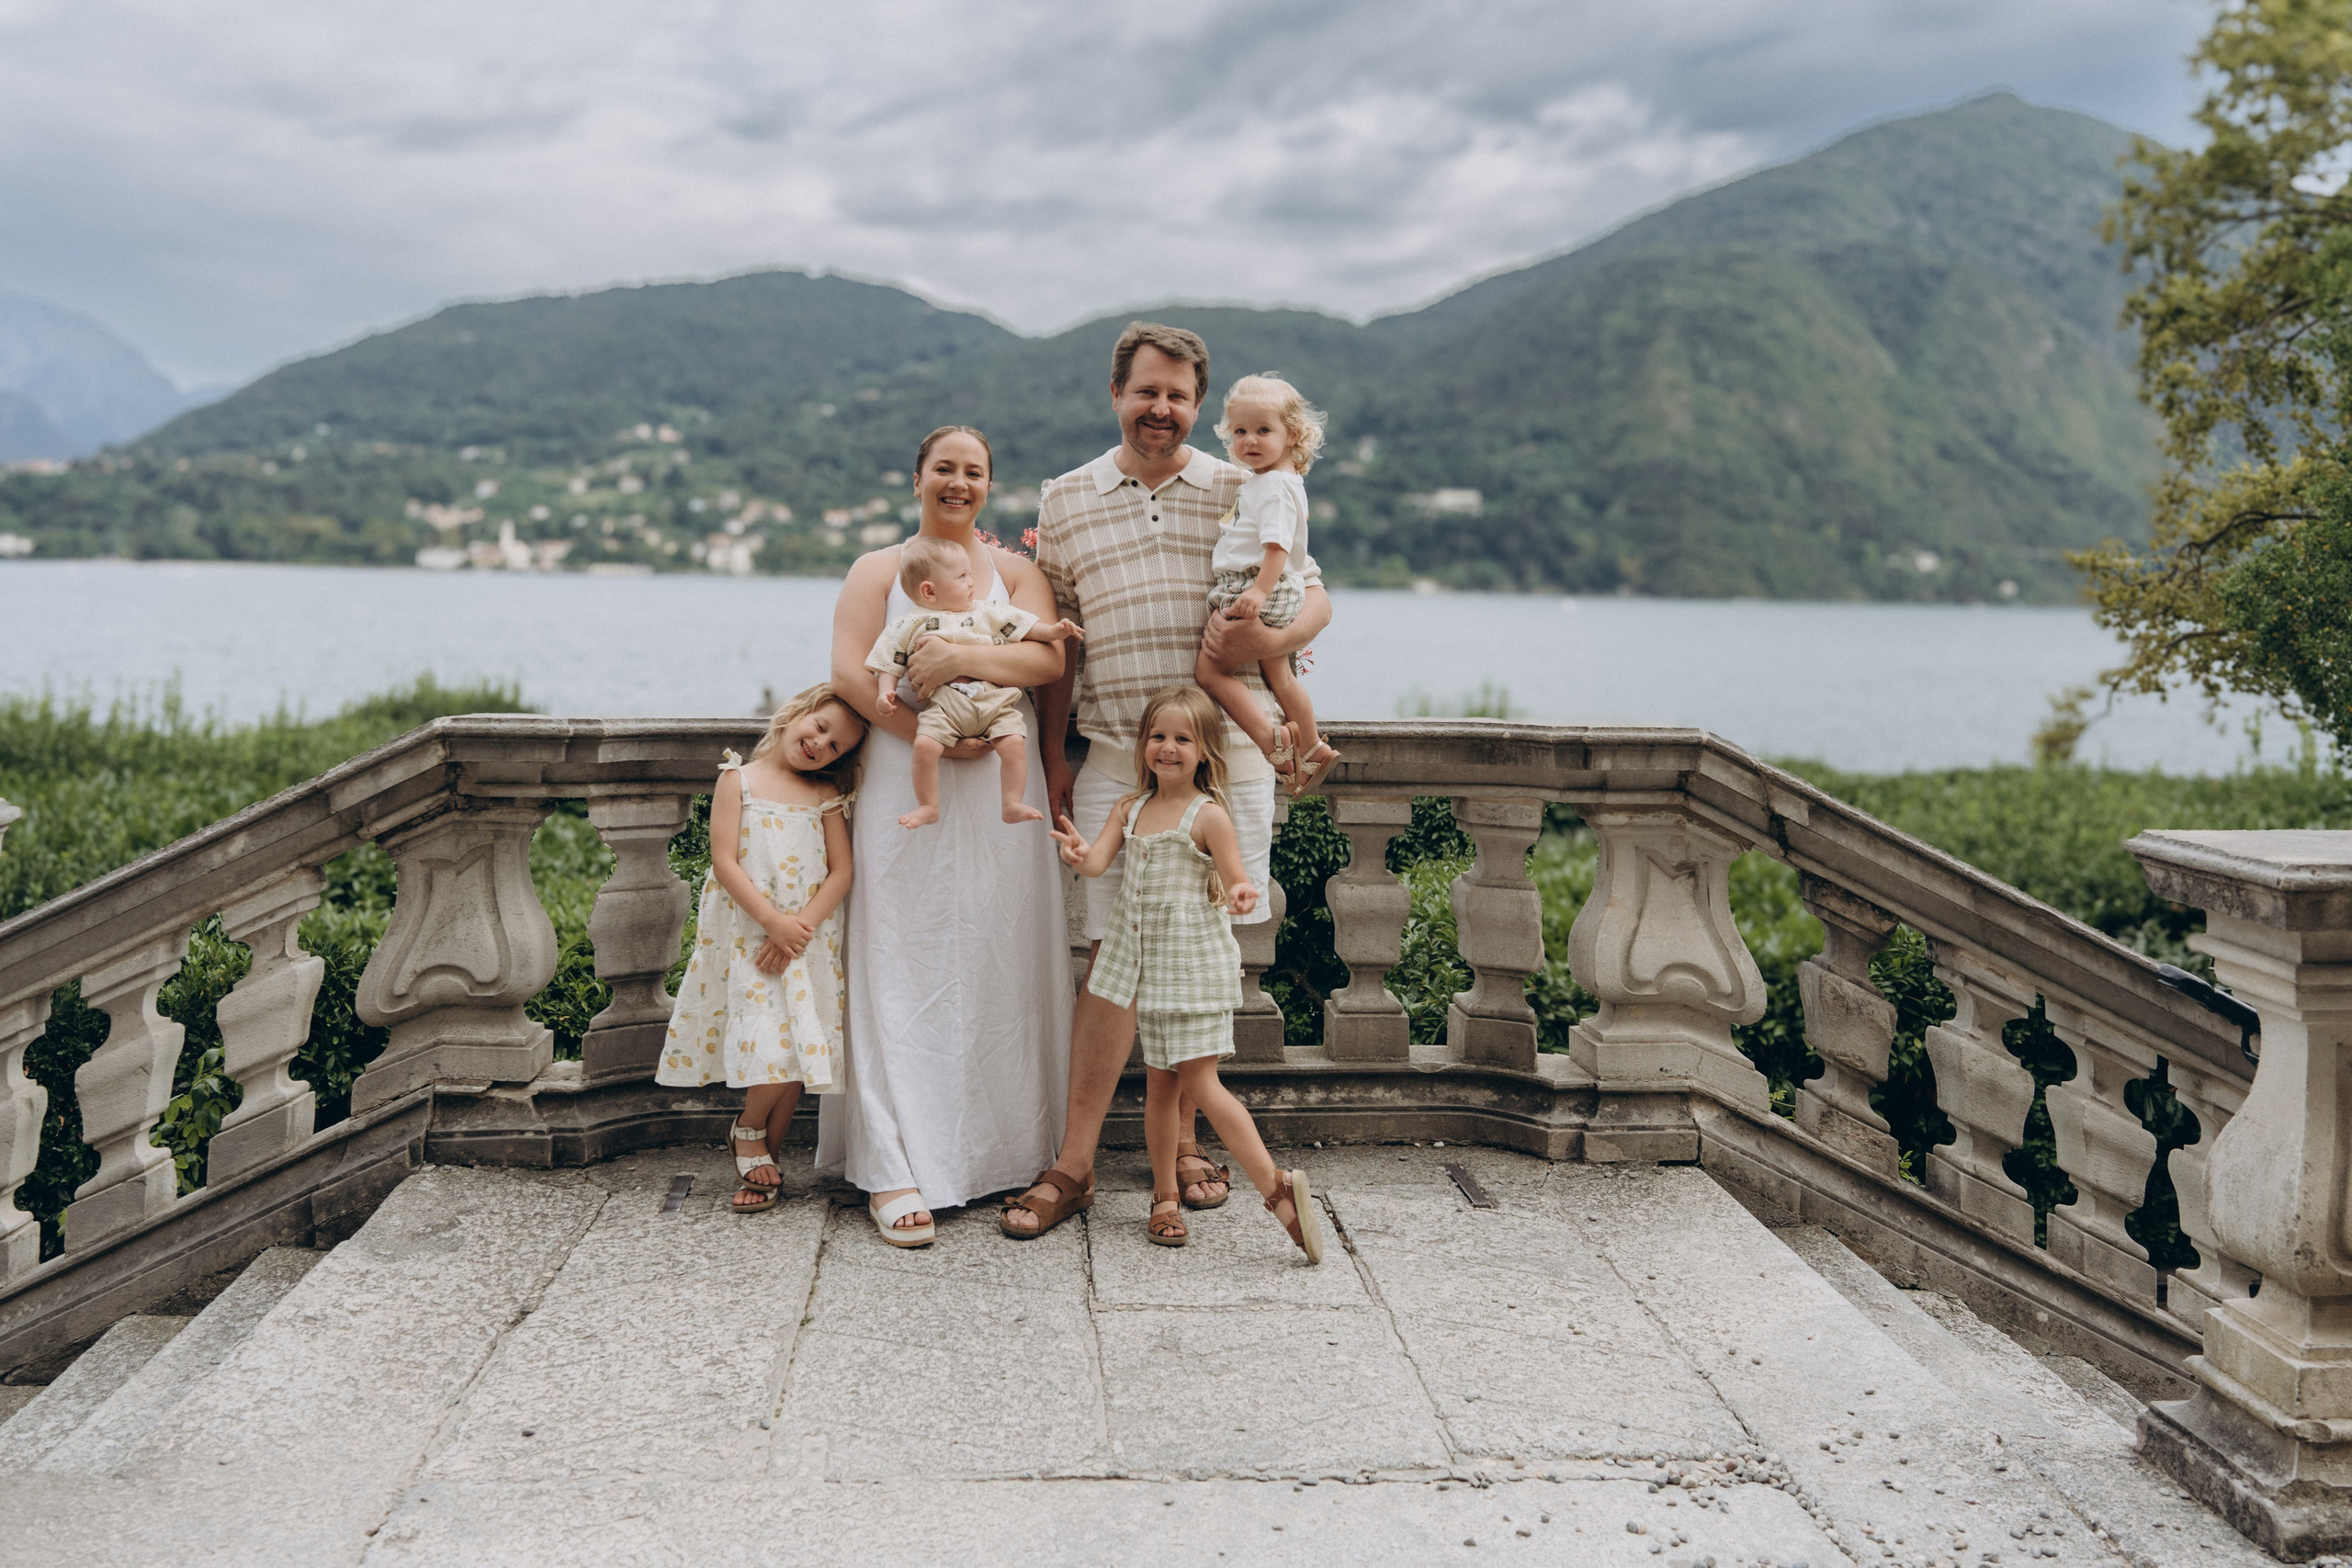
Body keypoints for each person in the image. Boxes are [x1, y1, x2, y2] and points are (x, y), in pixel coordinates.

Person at [1001, 322, 1333, 1240]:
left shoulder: (1245, 483)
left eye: (1178, 396)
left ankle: (1180, 1148)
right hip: (1113, 756)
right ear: (1117, 393)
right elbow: (1059, 642)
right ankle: (1073, 1166)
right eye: (1146, 391)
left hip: (1224, 769)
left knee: (1194, 957)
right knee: (1110, 966)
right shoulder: (1065, 498)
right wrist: (1054, 754)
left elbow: (1314, 595)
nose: (1160, 408)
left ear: (1199, 406)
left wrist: (1270, 638)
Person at [823, 424, 1074, 1246]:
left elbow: (1046, 664)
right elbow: (849, 672)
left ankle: (1007, 1149)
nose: (958, 482)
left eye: (973, 471)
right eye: (944, 468)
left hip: (1004, 790)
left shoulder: (1017, 574)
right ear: (918, 477)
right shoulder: (876, 570)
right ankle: (893, 1162)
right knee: (900, 954)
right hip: (910, 776)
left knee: (1003, 954)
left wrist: (959, 658)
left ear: (989, 485)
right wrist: (927, 732)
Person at [1049, 685, 1324, 1260]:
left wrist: (1242, 892)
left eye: (1182, 738)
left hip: (1192, 969)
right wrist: (1078, 852)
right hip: (1149, 971)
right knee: (1159, 1086)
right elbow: (1098, 863)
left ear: (1204, 752)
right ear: (1142, 745)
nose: (1168, 748)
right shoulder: (1129, 808)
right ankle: (1165, 1196)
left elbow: (1234, 877)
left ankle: (1275, 1187)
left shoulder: (1209, 815)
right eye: (1158, 736)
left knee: (1199, 1082)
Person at [655, 684, 864, 1213]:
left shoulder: (824, 795)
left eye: (835, 747)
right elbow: (725, 861)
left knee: (795, 1050)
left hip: (806, 940)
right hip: (752, 934)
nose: (820, 745)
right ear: (796, 714)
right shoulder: (738, 779)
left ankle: (765, 1154)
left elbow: (842, 872)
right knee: (771, 1044)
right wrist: (772, 923)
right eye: (820, 728)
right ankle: (748, 1131)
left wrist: (799, 928)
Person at [865, 534, 1084, 829]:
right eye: (962, 577)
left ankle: (1011, 802)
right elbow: (889, 660)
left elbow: (1025, 627)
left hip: (994, 700)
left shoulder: (986, 611)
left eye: (970, 574)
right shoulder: (908, 624)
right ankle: (928, 805)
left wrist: (1055, 631)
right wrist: (886, 692)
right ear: (929, 591)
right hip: (945, 706)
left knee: (1013, 743)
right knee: (925, 745)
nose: (971, 582)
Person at [1194, 373, 1340, 796]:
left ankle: (1269, 738)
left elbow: (1277, 547)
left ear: (1291, 434)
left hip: (1258, 585)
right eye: (1240, 431)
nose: (1249, 441)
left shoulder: (1273, 485)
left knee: (1210, 670)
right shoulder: (1280, 480)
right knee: (1280, 675)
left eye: (1263, 430)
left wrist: (1257, 591)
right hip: (1274, 586)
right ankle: (1311, 748)